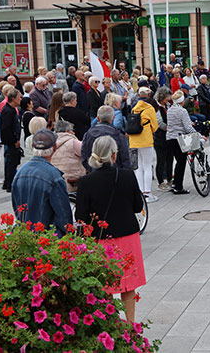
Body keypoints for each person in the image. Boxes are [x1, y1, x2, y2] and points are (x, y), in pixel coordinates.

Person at [75, 136, 146, 323]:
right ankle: (131, 324)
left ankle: (109, 324)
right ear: (114, 155)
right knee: (128, 284)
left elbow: (80, 216)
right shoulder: (127, 175)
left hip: (101, 239)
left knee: (103, 283)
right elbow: (138, 206)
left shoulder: (86, 181)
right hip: (128, 234)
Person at [12, 129, 72, 236]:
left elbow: (16, 207)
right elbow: (64, 217)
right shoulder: (54, 177)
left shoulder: (20, 173)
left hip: (23, 237)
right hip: (46, 240)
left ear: (32, 146)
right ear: (54, 147)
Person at [128, 87, 159, 203]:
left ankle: (140, 191)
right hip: (146, 139)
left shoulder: (134, 108)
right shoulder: (149, 108)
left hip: (134, 140)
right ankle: (147, 192)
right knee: (147, 166)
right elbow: (155, 126)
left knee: (139, 167)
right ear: (148, 95)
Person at [81, 105, 131, 172]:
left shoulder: (88, 134)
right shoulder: (118, 135)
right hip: (115, 174)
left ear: (98, 118)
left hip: (94, 172)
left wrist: (91, 169)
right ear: (113, 118)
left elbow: (84, 155)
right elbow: (125, 159)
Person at [166, 90, 195, 195]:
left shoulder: (170, 110)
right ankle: (178, 186)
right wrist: (199, 135)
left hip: (170, 138)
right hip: (179, 139)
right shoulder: (182, 111)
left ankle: (175, 183)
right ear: (182, 101)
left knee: (178, 161)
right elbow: (188, 128)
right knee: (181, 162)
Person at [50, 120, 86, 192]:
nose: (74, 132)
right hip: (73, 181)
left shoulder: (50, 143)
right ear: (67, 131)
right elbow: (86, 154)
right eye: (72, 130)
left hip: (55, 181)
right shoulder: (74, 143)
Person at [0, 88, 22, 192]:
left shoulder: (11, 109)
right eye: (19, 98)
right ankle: (10, 184)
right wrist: (14, 140)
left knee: (11, 162)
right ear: (12, 99)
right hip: (11, 141)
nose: (20, 100)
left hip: (11, 140)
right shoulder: (8, 111)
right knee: (11, 163)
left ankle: (7, 182)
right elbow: (6, 128)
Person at [153, 87, 174, 190]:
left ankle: (170, 179)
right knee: (161, 160)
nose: (169, 98)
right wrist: (170, 128)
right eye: (167, 97)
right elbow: (160, 123)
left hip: (169, 137)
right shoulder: (157, 107)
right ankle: (161, 182)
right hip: (160, 137)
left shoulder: (168, 105)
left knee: (170, 159)